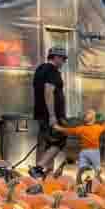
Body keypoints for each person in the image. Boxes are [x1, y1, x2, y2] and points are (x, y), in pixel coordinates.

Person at [31, 45, 69, 176]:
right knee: (60, 140)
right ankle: (39, 168)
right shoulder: (52, 71)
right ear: (56, 57)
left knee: (44, 143)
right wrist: (53, 116)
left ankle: (44, 175)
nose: (64, 62)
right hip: (51, 115)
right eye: (63, 59)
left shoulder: (40, 69)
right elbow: (48, 91)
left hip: (41, 113)